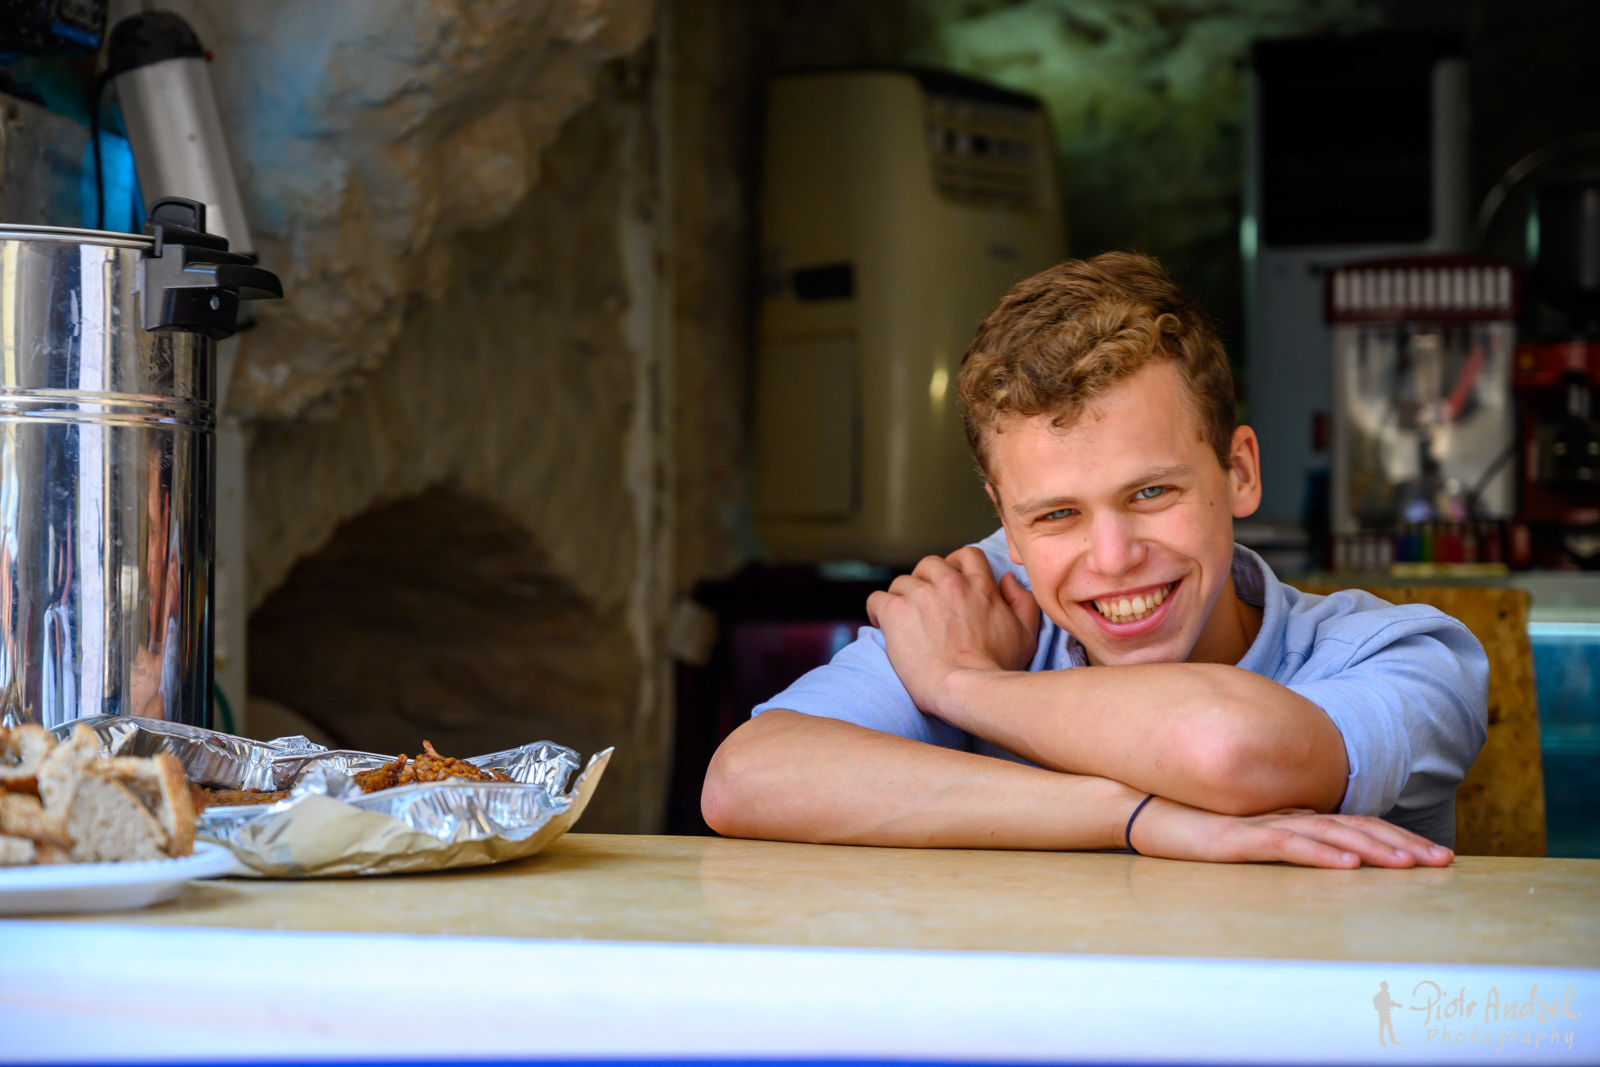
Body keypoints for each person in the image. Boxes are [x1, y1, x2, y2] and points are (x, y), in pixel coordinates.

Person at [702, 252, 1488, 869]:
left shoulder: (1410, 653)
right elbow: (745, 778)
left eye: (1150, 492)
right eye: (1056, 515)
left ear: (1240, 471)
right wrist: (1135, 817)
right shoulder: (987, 603)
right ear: (1007, 526)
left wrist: (965, 687)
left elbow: (1226, 750)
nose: (1112, 558)